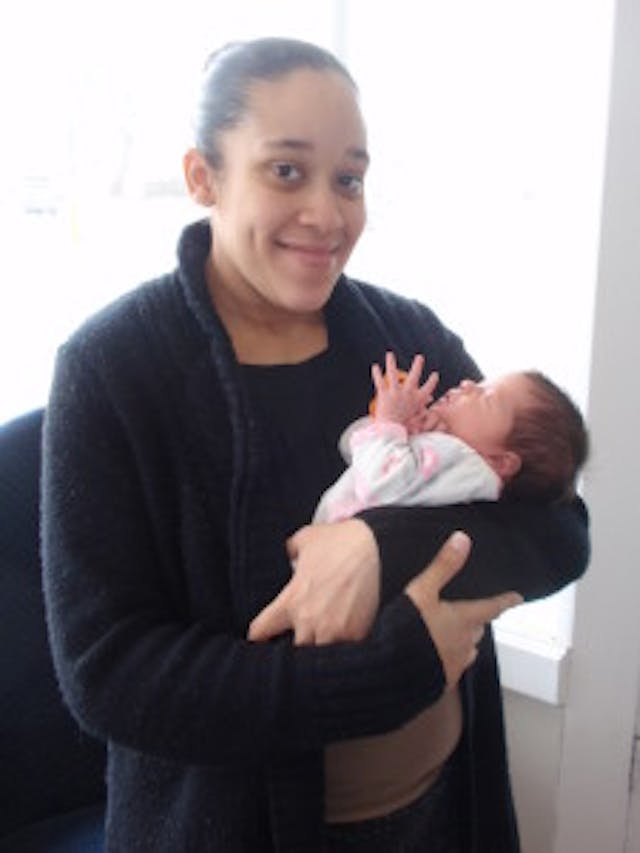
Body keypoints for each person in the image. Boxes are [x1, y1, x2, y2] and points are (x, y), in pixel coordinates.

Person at [40, 37, 590, 852]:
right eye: (287, 170)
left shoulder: (406, 337)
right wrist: (375, 676)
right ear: (204, 177)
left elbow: (557, 530)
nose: (329, 215)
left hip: (441, 805)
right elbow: (109, 676)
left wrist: (376, 542)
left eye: (350, 178)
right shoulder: (114, 371)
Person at [312, 351, 589, 524]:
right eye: (481, 384)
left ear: (502, 462)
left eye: (487, 397)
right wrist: (401, 434)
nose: (468, 384)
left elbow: (378, 486)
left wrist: (389, 424)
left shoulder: (465, 466)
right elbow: (353, 449)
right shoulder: (444, 459)